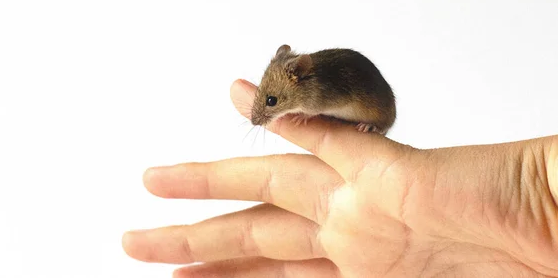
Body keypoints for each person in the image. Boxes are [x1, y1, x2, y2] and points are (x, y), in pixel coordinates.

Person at [122, 79, 558, 277]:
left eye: (273, 101)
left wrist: (533, 195)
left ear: (298, 79)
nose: (266, 110)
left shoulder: (316, 90)